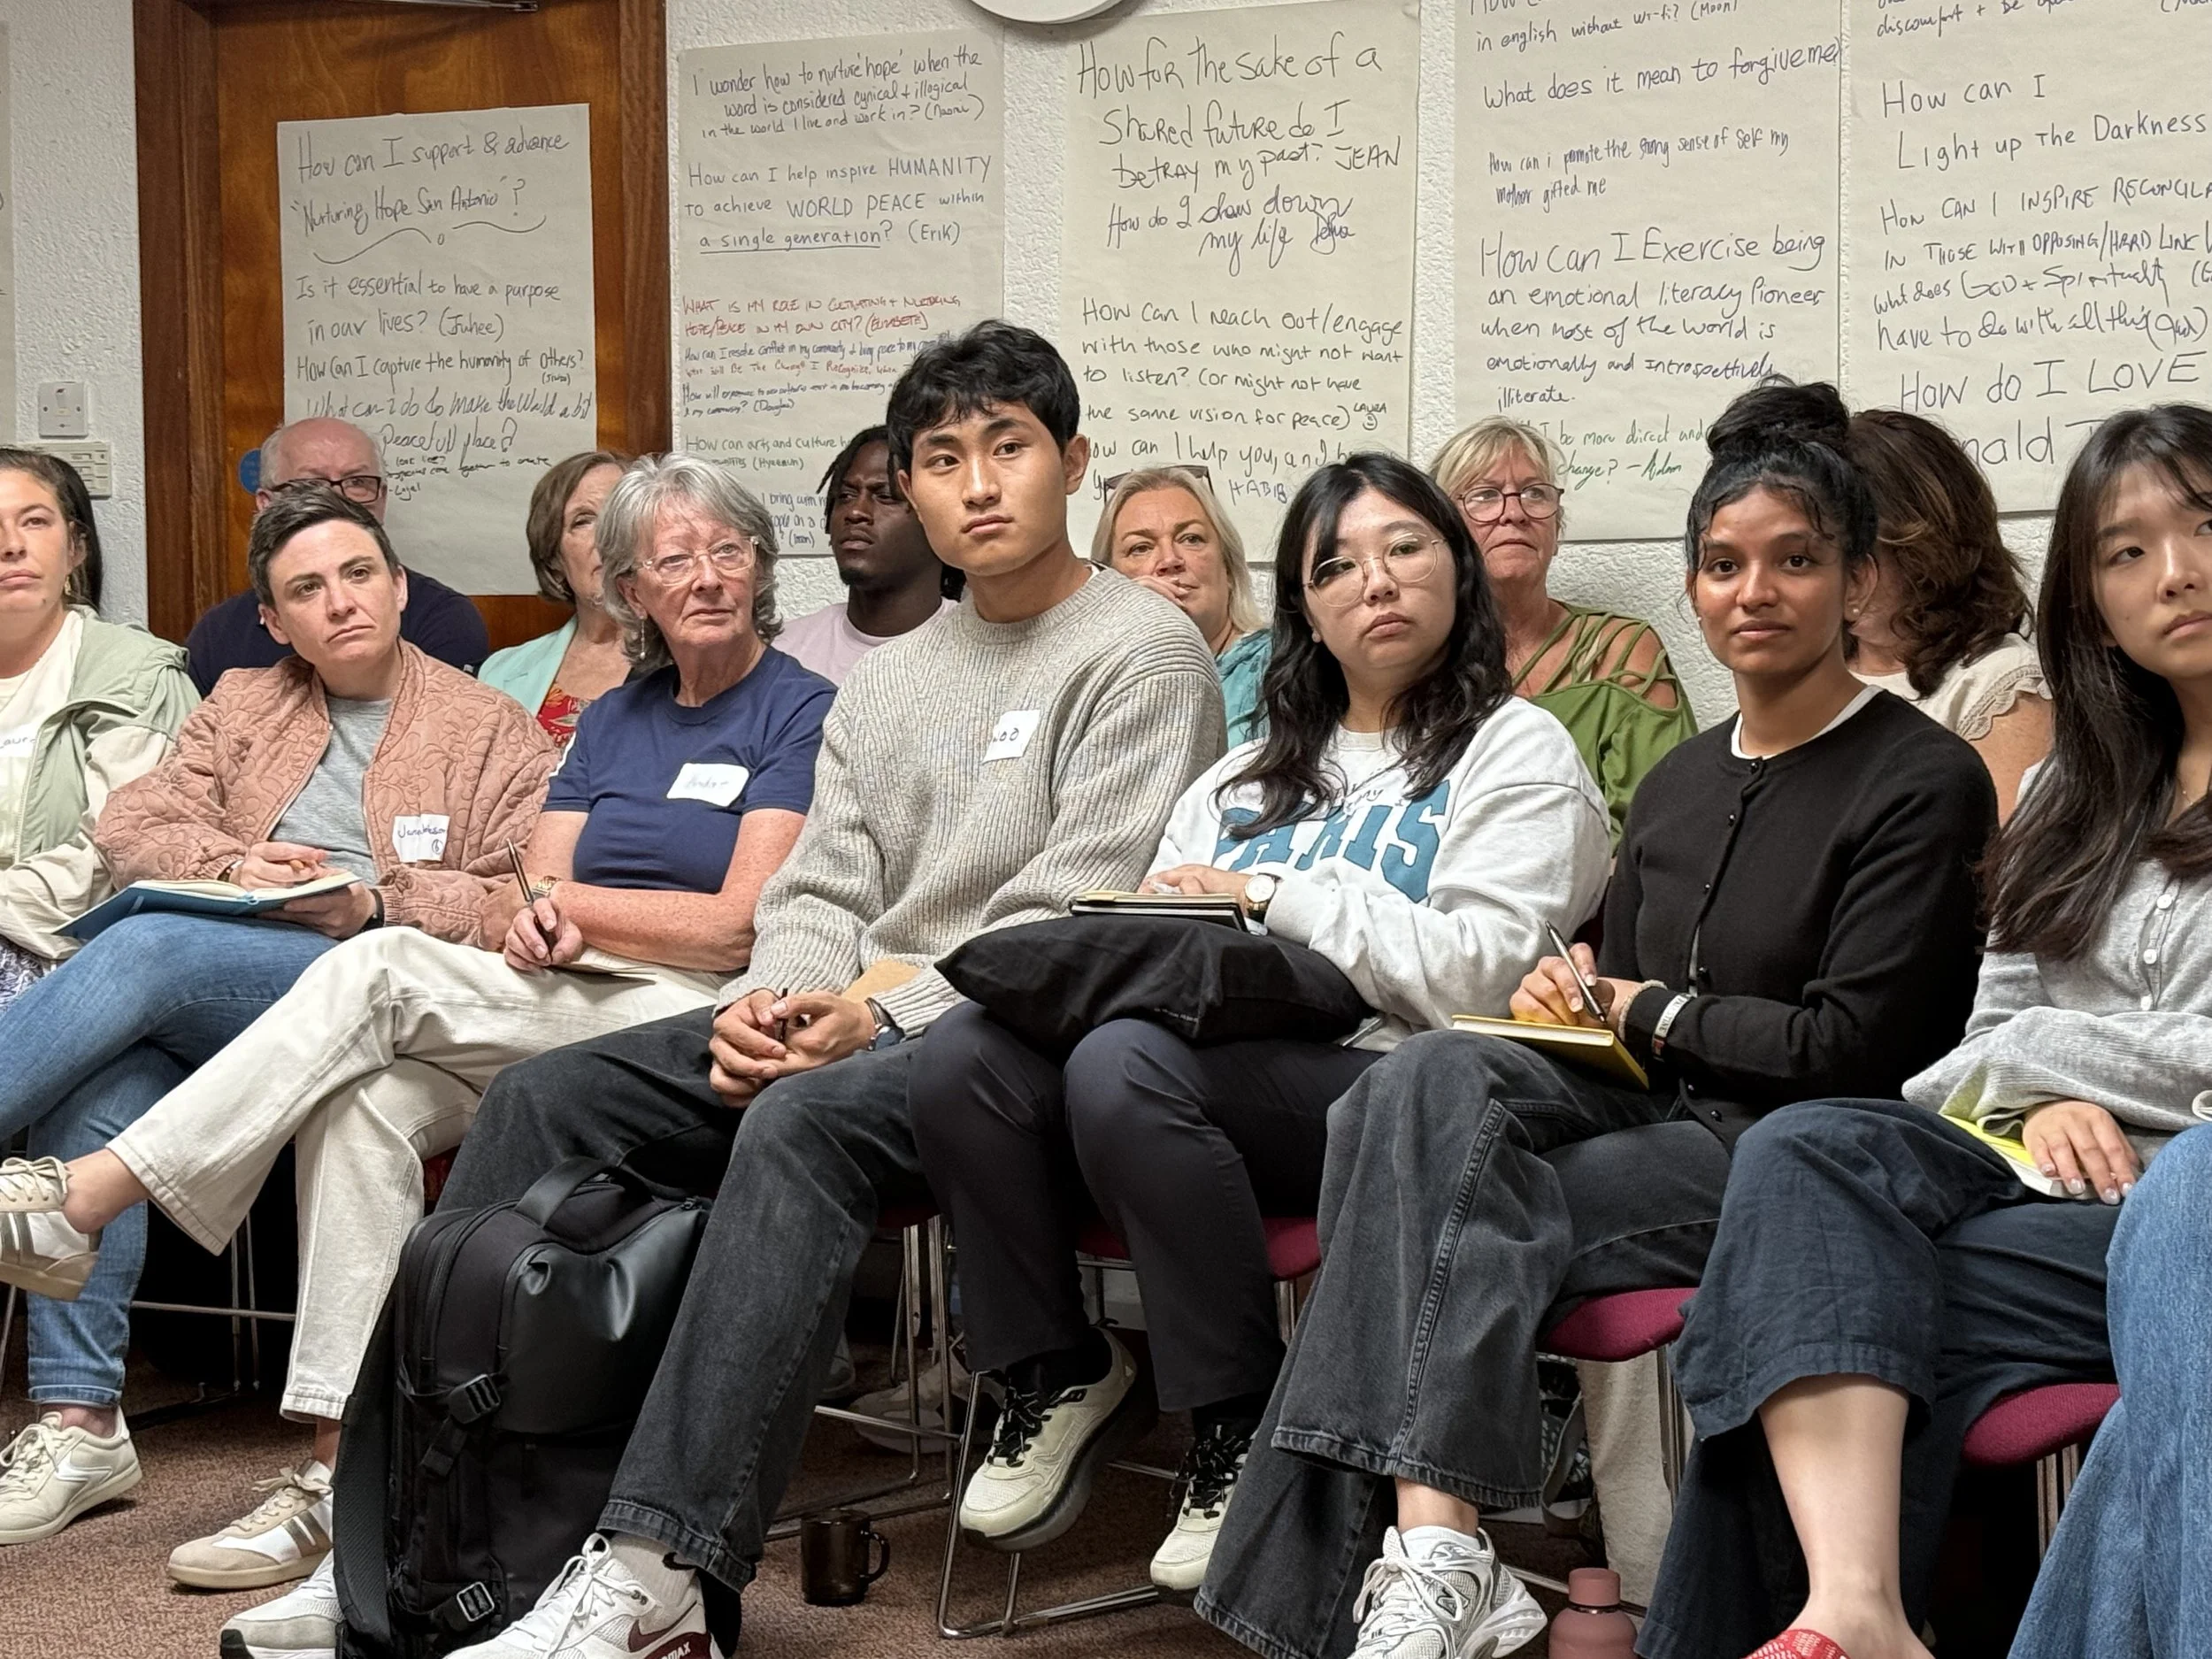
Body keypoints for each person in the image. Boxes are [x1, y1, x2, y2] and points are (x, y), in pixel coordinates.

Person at [395, 319, 1224, 1659]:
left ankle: (662, 1565)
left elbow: (1075, 912)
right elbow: (822, 887)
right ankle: (438, 1533)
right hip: (851, 1019)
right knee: (551, 1096)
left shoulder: (1141, 649)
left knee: (797, 1123)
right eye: (942, 459)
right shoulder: (891, 680)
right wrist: (774, 999)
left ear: (1072, 461)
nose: (980, 483)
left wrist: (873, 1017)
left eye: (1010, 447)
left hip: (1018, 1045)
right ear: (914, 486)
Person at [1197, 381, 1998, 1659]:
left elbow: (1853, 1048)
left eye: (1797, 560)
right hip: (1646, 1095)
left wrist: (1652, 1006)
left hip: (1791, 1142)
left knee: (1433, 1208)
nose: (1757, 590)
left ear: (1855, 580)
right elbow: (1614, 993)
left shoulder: (1920, 774)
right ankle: (1444, 1545)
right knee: (1421, 1081)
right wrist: (1564, 995)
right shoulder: (1684, 777)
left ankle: (1412, 1565)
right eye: (1725, 564)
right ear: (1690, 587)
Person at [0, 458, 831, 1613]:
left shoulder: (792, 707)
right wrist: (529, 908)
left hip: (685, 1008)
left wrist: (471, 903)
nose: (703, 577)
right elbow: (536, 881)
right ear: (630, 586)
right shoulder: (609, 720)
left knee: (351, 961)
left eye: (726, 551)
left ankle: (77, 1197)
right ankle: (347, 1480)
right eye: (671, 560)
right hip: (554, 990)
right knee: (360, 1104)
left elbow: (734, 918)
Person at [912, 452, 1610, 1594]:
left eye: (1405, 548)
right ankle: (1055, 1370)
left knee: (1124, 1064)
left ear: (1457, 572)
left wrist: (1277, 898)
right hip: (1185, 1072)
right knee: (965, 1056)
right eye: (1335, 565)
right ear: (1304, 609)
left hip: (1387, 1084)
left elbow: (1484, 976)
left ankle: (1232, 1422)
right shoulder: (1240, 775)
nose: (1373, 581)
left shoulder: (1516, 750)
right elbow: (1150, 936)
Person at [1637, 403, 2212, 1659]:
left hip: (2187, 1197)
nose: (2175, 572)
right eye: (2125, 549)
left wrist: (2070, 1078)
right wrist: (2027, 1103)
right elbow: (1975, 1042)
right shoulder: (2077, 785)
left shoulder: (1933, 759)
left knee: (1809, 1312)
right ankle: (1858, 1611)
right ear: (2088, 593)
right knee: (1802, 1177)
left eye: (2205, 525)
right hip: (2054, 1184)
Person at [0, 482, 558, 1557]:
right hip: (229, 985)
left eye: (359, 576)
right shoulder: (247, 703)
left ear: (399, 589)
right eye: (307, 589)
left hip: (382, 986)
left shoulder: (487, 725)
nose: (339, 602)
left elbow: (519, 896)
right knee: (102, 1074)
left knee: (142, 951)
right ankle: (79, 1424)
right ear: (274, 620)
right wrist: (234, 861)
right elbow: (136, 822)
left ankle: (79, 1411)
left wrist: (377, 901)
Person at [1431, 417, 1697, 840]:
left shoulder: (1621, 652)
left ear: (1556, 531)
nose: (1514, 513)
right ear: (1443, 531)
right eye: (1484, 496)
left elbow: (1663, 826)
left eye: (1535, 494)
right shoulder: (1418, 662)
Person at [0, 449, 195, 1010]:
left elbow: (121, 857)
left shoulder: (133, 675)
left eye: (35, 521)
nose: (13, 544)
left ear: (75, 549)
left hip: (77, 957)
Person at [2009, 1125, 2212, 1659]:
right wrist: (2039, 1097)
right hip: (2063, 1190)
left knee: (2199, 1166)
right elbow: (1957, 1071)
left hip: (2167, 1196)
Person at [1842, 408, 2052, 819]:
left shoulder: (1996, 682)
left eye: (1863, 552)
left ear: (1929, 547)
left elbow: (2002, 868)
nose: (1844, 577)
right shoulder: (1812, 672)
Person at [186, 418, 489, 692]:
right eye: (311, 485)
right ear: (267, 504)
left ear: (381, 499)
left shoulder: (441, 618)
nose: (336, 498)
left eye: (357, 482)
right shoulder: (219, 635)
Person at [1091, 465, 1270, 741]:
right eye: (1141, 547)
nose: (1170, 560)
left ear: (1229, 569)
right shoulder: (1095, 683)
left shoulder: (1285, 667)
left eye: (1191, 539)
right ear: (1111, 581)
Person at [777, 426, 961, 686]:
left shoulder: (980, 650)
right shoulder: (783, 654)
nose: (855, 512)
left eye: (885, 496)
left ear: (937, 518)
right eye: (845, 496)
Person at [479, 449, 634, 741]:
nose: (608, 535)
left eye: (621, 514)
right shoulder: (501, 673)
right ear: (555, 560)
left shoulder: (696, 657)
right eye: (583, 521)